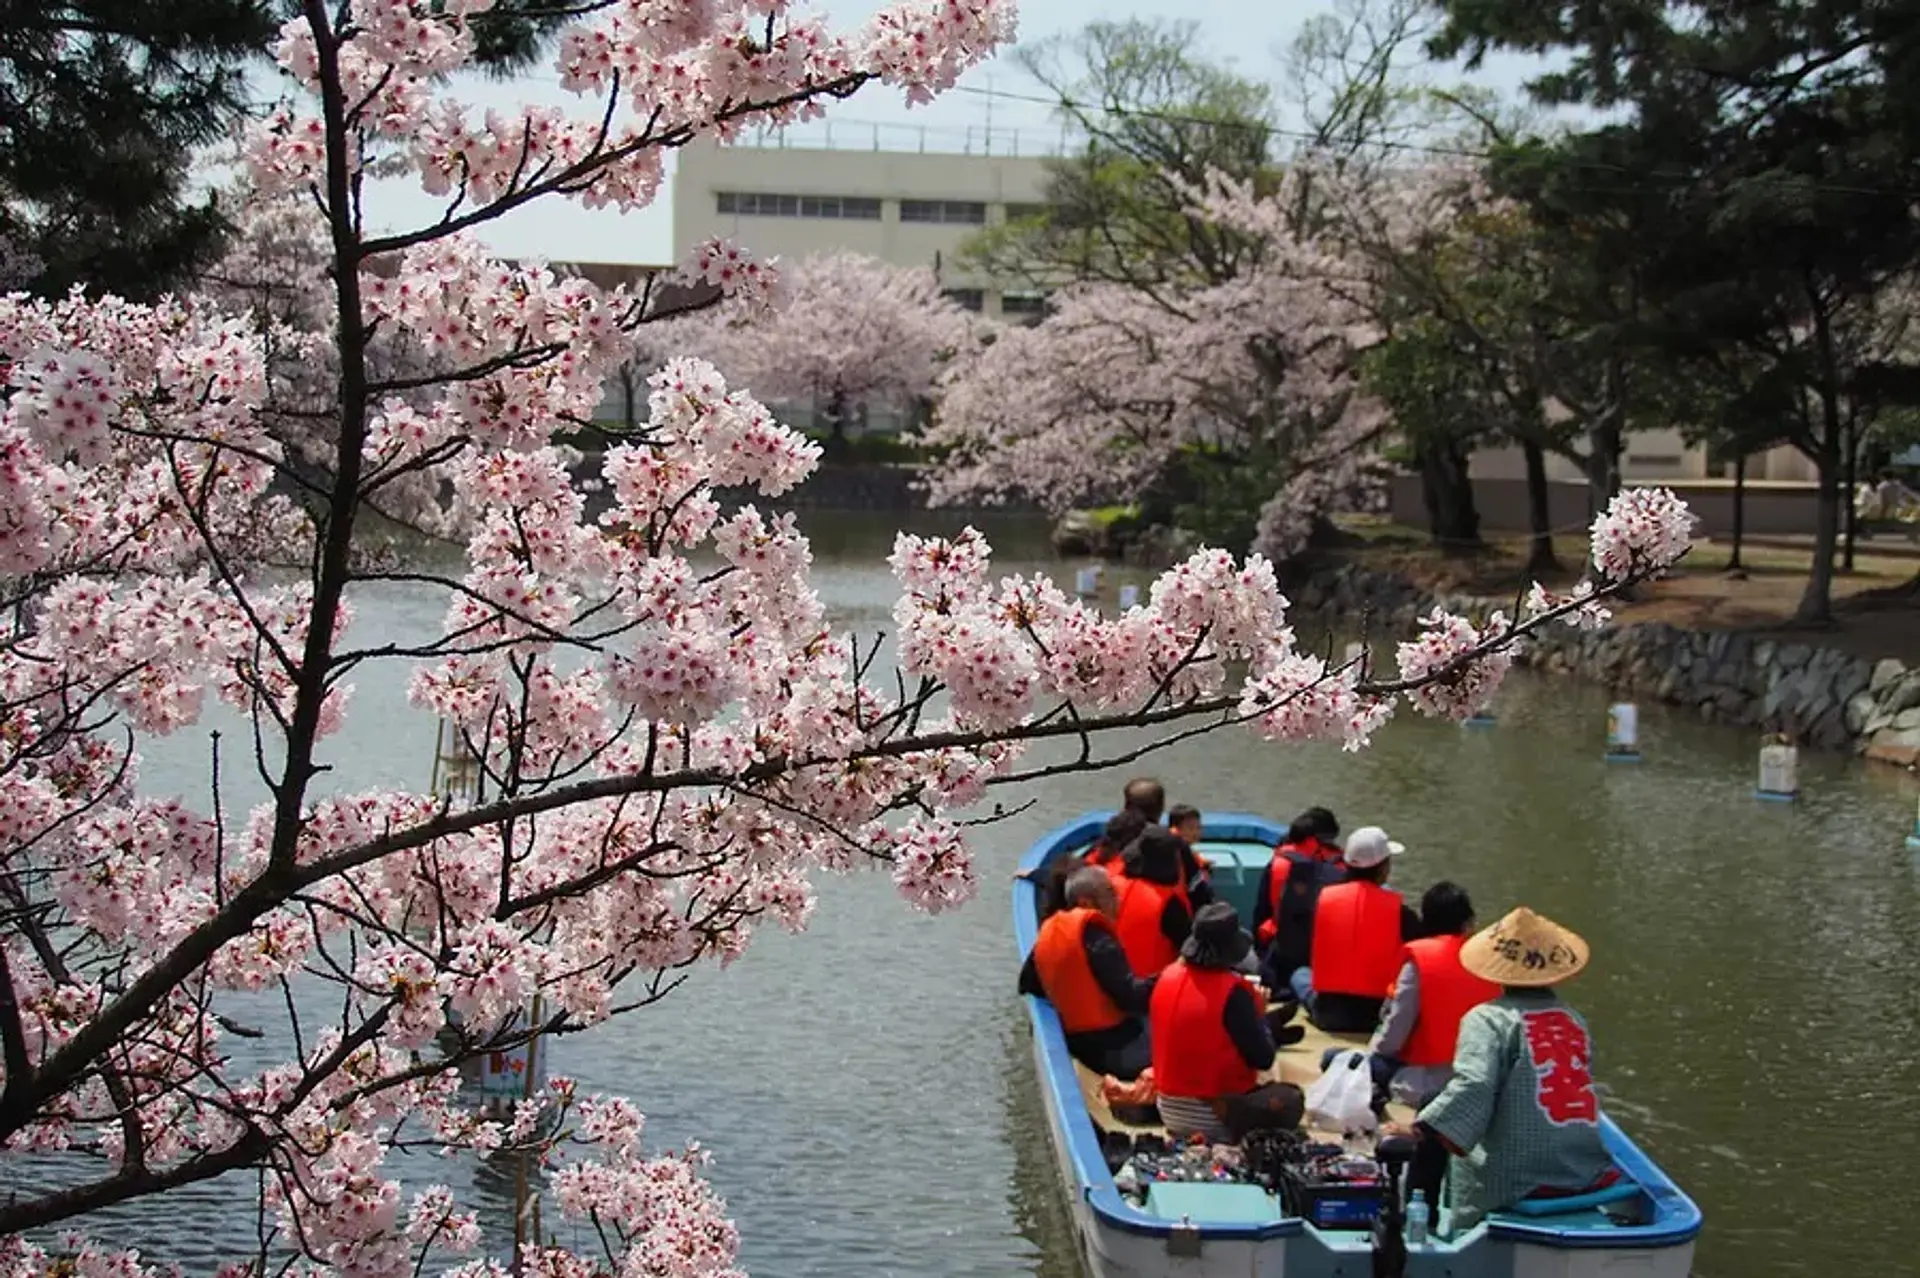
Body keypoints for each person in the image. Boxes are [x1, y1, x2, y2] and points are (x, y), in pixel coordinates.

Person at [1392, 907, 1618, 1231]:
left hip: (1515, 1178)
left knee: (1432, 1119)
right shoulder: (1573, 1020)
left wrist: (1419, 1130)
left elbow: (1474, 1086)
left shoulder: (1487, 1019)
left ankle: (1419, 1227)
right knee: (1438, 1107)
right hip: (1582, 1169)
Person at [1151, 902, 1306, 1144]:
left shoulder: (1166, 976)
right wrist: (1258, 1012)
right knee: (1291, 1099)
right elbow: (1264, 1059)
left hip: (1167, 1108)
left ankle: (1268, 1024)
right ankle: (1268, 1024)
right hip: (1213, 1116)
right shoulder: (1233, 993)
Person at [1366, 881, 1500, 1107]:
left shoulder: (1420, 959)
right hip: (1481, 1083)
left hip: (1427, 1083)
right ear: (1467, 923)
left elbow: (1393, 1035)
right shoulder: (1488, 961)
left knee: (1337, 1058)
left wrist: (1377, 1052)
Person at [1019, 867, 1156, 1079]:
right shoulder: (1100, 942)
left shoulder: (1050, 931)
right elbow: (1131, 999)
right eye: (1110, 893)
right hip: (1113, 1049)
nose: (1117, 898)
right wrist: (1168, 977)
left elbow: (1027, 984)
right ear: (1086, 902)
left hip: (1078, 1042)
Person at [1291, 827, 1422, 1033]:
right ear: (1382, 868)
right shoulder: (1401, 912)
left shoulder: (1323, 900)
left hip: (1328, 1014)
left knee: (1300, 975)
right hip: (1376, 1015)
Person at [1252, 807, 1345, 992]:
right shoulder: (1341, 869)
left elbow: (1260, 914)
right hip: (1322, 956)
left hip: (1279, 954)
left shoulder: (1277, 864)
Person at [1109, 827, 1195, 977]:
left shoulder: (1110, 886)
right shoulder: (1169, 905)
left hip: (1110, 983)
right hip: (1149, 990)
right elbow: (1191, 949)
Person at [1165, 802, 1217, 908]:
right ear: (1176, 829)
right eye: (1190, 828)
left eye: (1198, 827)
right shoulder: (1175, 855)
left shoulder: (1190, 854)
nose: (1196, 832)